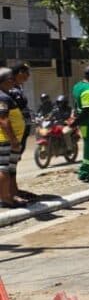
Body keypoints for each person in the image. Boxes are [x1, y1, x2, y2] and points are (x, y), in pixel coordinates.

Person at [0, 69, 27, 207]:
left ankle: (10, 196)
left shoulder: (6, 95)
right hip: (5, 139)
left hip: (9, 139)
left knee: (10, 169)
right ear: (6, 80)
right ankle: (5, 199)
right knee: (3, 168)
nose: (13, 80)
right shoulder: (2, 97)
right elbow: (3, 120)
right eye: (11, 78)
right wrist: (13, 140)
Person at [9, 64, 34, 200]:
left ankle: (14, 189)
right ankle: (10, 192)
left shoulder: (18, 88)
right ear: (18, 73)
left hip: (21, 131)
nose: (28, 76)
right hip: (13, 132)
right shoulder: (9, 89)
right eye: (26, 73)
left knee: (15, 161)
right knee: (10, 162)